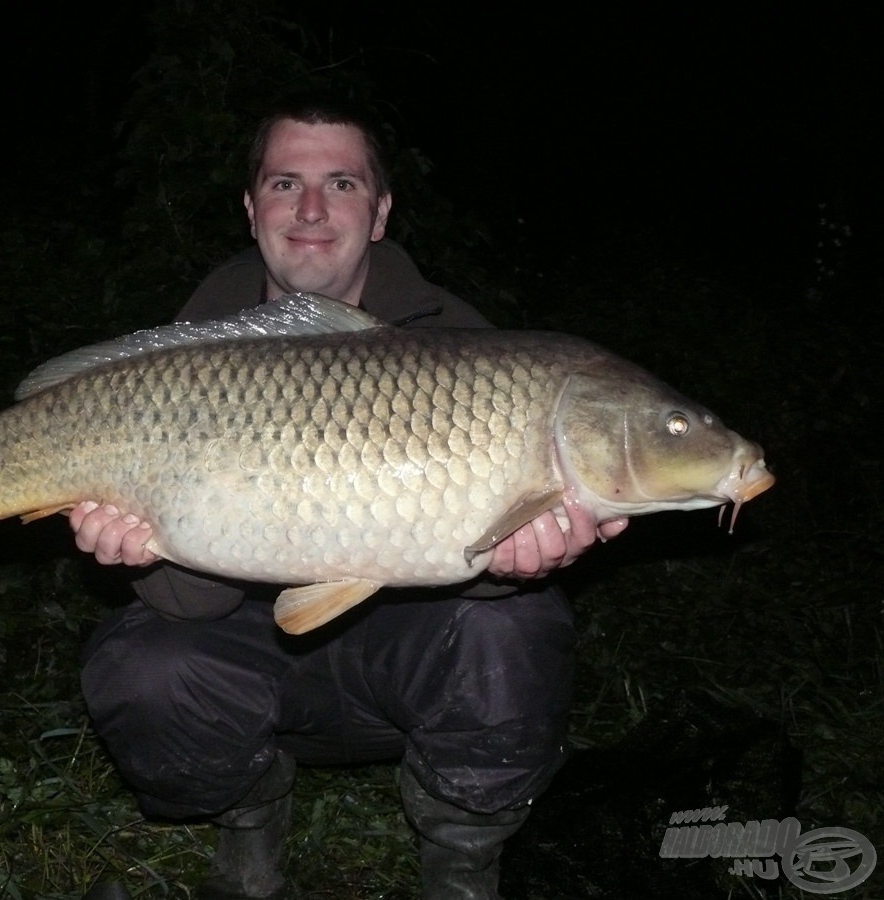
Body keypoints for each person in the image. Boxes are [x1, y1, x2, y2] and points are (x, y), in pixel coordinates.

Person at [74, 96, 627, 900]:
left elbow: (470, 563)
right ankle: (249, 826)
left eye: (341, 183)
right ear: (250, 206)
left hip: (398, 664)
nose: (309, 209)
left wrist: (514, 566)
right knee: (143, 666)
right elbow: (187, 604)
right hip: (249, 659)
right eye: (283, 183)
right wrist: (141, 546)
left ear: (380, 212)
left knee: (517, 629)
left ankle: (462, 862)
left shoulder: (467, 347)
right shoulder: (190, 356)